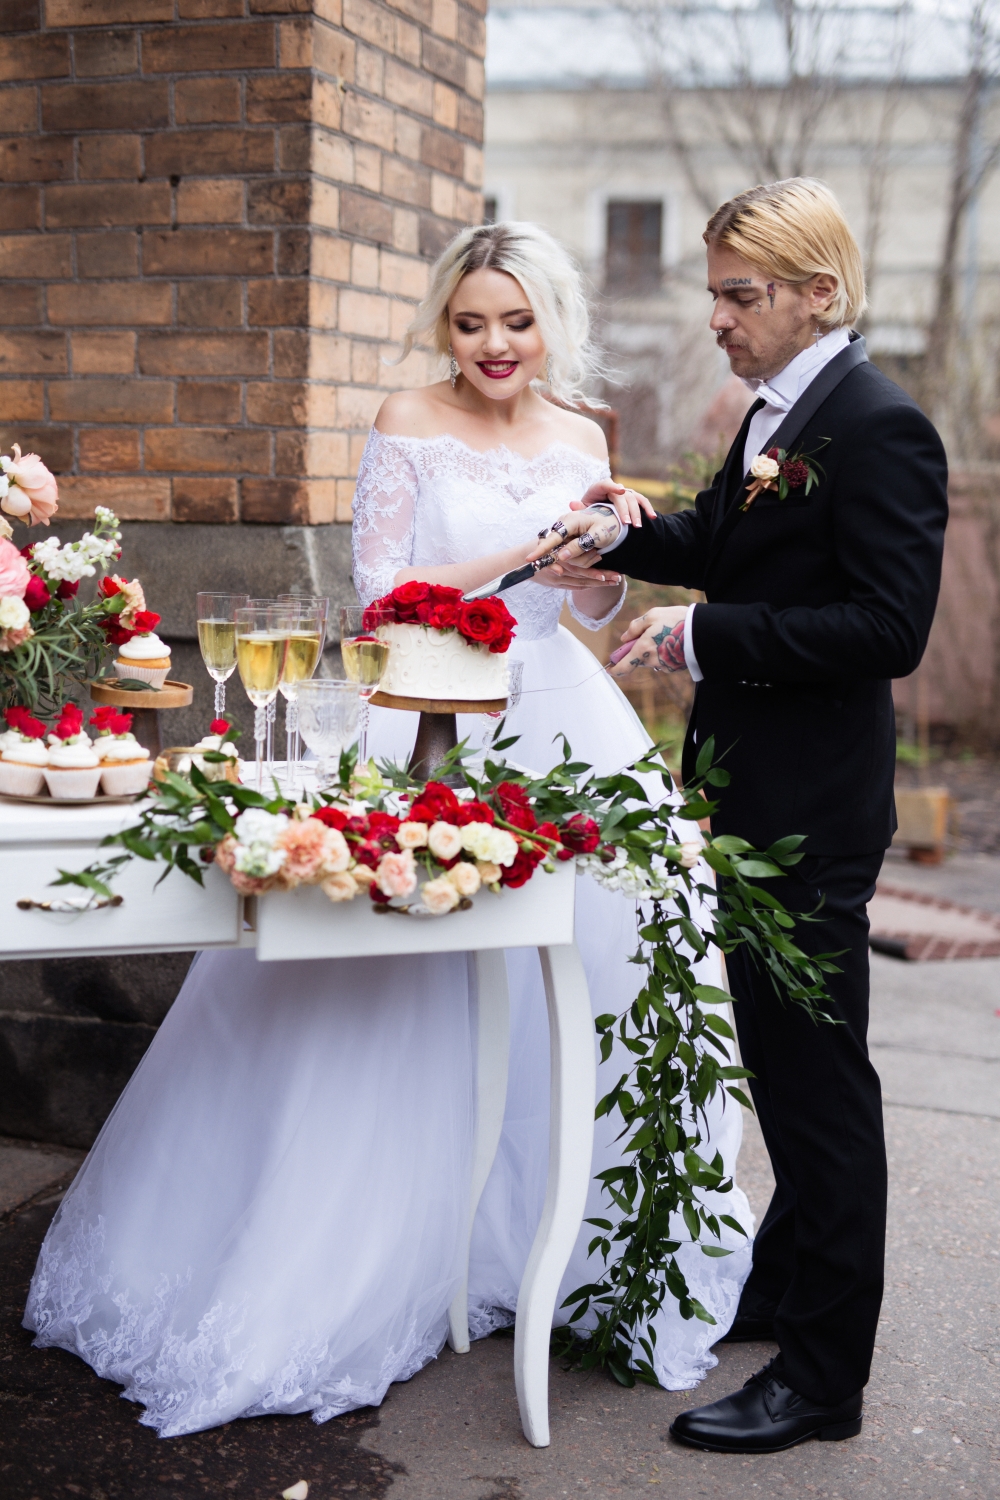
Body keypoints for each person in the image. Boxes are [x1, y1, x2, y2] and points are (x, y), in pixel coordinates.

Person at [24, 221, 753, 1438]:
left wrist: (593, 564)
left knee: (630, 953)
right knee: (372, 993)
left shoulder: (580, 433)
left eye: (514, 322)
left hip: (564, 711)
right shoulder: (405, 420)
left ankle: (574, 1256)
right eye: (470, 323)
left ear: (549, 321)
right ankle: (359, 1256)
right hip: (421, 715)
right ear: (443, 326)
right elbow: (380, 595)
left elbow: (590, 598)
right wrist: (531, 546)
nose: (492, 346)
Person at [531, 178, 948, 1454]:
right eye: (715, 291)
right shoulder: (785, 410)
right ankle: (783, 1287)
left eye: (739, 294)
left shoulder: (878, 426)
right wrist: (633, 531)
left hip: (810, 812)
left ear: (818, 294)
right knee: (776, 1062)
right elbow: (737, 536)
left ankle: (824, 1376)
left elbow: (888, 627)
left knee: (820, 1090)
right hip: (748, 798)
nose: (717, 316)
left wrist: (707, 638)